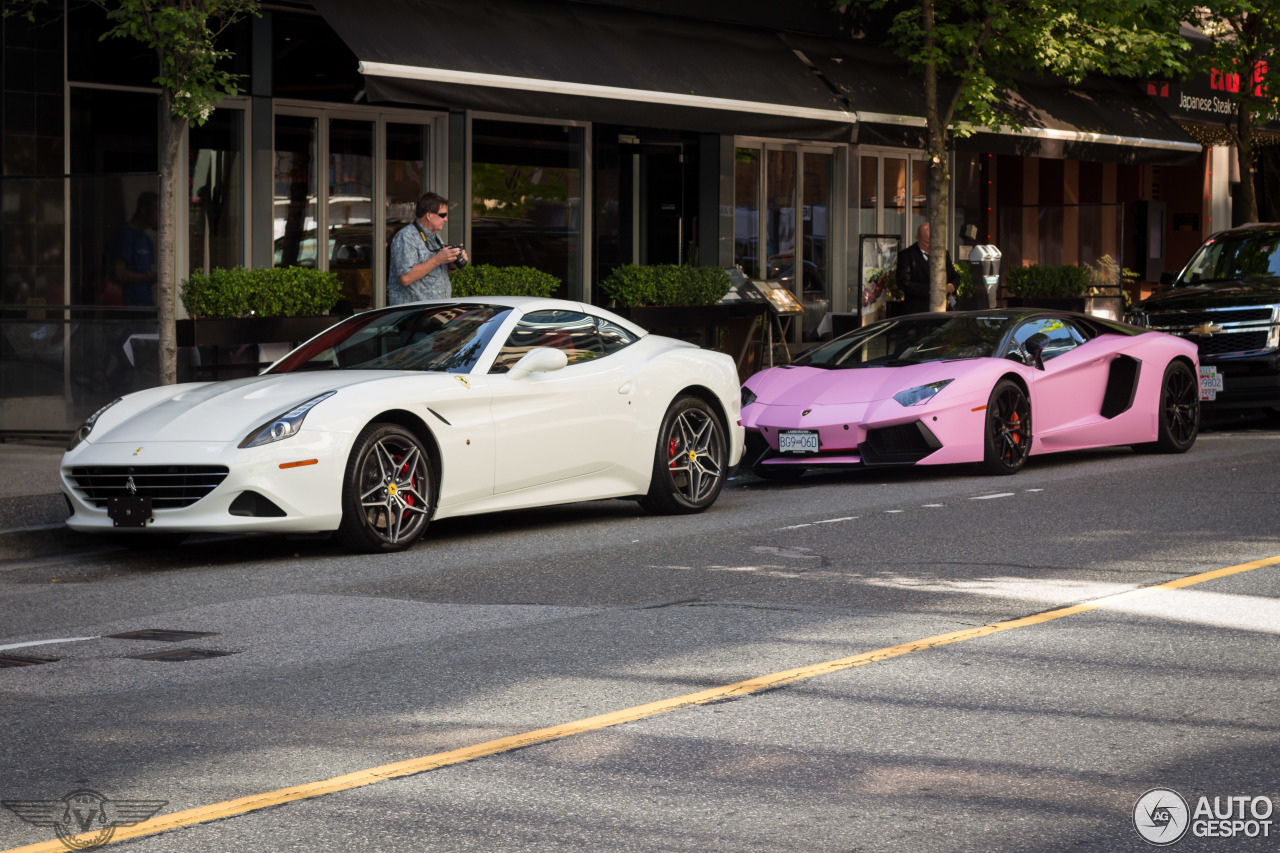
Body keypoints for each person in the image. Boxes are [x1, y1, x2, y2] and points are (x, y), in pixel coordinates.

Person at [387, 192, 469, 306]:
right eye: (443, 215)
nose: (445, 219)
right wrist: (437, 259)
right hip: (414, 314)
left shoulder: (434, 237)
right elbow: (405, 278)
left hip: (434, 311)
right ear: (429, 215)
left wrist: (452, 265)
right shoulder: (406, 237)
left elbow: (435, 273)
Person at [895, 222, 959, 314]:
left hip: (942, 311)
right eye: (926, 243)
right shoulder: (907, 255)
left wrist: (952, 286)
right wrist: (930, 290)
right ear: (917, 238)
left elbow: (955, 276)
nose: (930, 246)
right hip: (917, 312)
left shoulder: (943, 254)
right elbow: (903, 283)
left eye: (933, 242)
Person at [108, 191, 159, 306]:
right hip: (131, 309)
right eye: (156, 209)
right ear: (144, 209)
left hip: (147, 306)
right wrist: (149, 277)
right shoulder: (125, 236)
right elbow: (118, 273)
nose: (159, 215)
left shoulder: (147, 241)